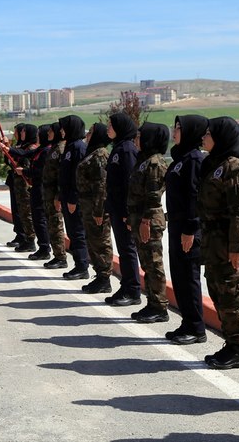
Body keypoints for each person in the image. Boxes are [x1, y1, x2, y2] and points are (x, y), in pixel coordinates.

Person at [198, 116, 239, 369]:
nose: (204, 137)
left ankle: (238, 350)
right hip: (213, 243)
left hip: (228, 244)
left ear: (221, 137)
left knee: (232, 296)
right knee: (218, 293)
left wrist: (236, 246)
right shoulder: (214, 163)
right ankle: (230, 344)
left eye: (208, 133)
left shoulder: (233, 167)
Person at [165, 115, 209, 344]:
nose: (175, 131)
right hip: (176, 225)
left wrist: (191, 228)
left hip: (187, 228)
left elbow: (195, 196)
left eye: (179, 128)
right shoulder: (181, 158)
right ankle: (187, 322)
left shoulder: (194, 160)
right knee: (179, 276)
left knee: (189, 276)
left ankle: (196, 327)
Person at [127, 122, 169, 323]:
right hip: (139, 218)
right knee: (146, 263)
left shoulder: (155, 162)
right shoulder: (143, 160)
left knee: (153, 263)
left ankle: (159, 306)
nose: (136, 140)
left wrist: (144, 221)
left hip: (149, 219)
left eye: (140, 136)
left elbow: (153, 196)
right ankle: (152, 302)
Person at [104, 113, 142, 306]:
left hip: (124, 212)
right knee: (124, 249)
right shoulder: (118, 148)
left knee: (128, 250)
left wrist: (128, 213)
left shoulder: (126, 150)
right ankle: (126, 285)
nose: (108, 127)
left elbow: (129, 183)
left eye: (111, 124)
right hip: (117, 210)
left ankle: (133, 290)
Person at [77, 123, 114, 293]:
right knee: (92, 242)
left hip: (96, 208)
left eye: (91, 132)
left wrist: (99, 211)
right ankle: (99, 276)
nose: (87, 134)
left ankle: (104, 278)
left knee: (100, 242)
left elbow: (101, 186)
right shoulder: (91, 153)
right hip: (88, 206)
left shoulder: (100, 155)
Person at [57, 115, 90, 279]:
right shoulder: (69, 146)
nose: (61, 130)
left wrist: (72, 198)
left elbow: (78, 176)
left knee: (77, 232)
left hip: (74, 200)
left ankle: (82, 266)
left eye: (63, 127)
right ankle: (78, 264)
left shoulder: (78, 148)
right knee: (72, 232)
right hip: (65, 197)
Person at [16, 125, 52, 261]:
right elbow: (24, 154)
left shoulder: (45, 151)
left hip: (41, 188)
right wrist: (8, 149)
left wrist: (24, 172)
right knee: (37, 219)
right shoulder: (40, 150)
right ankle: (42, 247)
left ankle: (44, 248)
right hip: (36, 188)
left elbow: (39, 172)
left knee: (40, 219)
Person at [42, 122, 67, 269]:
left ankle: (61, 257)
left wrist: (58, 195)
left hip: (54, 195)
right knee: (51, 225)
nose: (48, 133)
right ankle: (57, 255)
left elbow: (61, 175)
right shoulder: (54, 148)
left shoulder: (61, 149)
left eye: (51, 131)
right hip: (48, 194)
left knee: (56, 225)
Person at [4, 123, 27, 247]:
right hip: (14, 182)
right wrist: (7, 148)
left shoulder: (27, 148)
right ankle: (19, 233)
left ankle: (23, 236)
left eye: (17, 132)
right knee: (16, 210)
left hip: (22, 185)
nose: (15, 134)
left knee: (22, 211)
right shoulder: (17, 146)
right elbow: (8, 161)